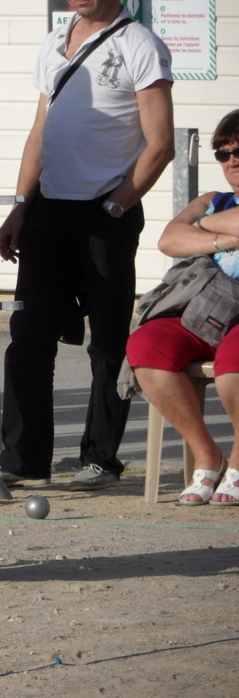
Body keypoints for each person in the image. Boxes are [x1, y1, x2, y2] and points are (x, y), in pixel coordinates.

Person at [0, 0, 174, 491]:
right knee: (29, 335)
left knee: (108, 342)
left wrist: (117, 204)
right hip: (49, 210)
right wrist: (20, 207)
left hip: (106, 214)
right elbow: (39, 133)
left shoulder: (140, 45)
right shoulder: (55, 40)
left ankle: (100, 457)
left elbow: (159, 144)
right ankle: (24, 457)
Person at [127, 110, 239, 506]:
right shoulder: (212, 200)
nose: (232, 161)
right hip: (207, 306)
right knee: (146, 345)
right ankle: (207, 453)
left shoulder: (212, 211)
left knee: (233, 363)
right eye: (222, 154)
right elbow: (170, 239)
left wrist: (205, 227)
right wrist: (224, 240)